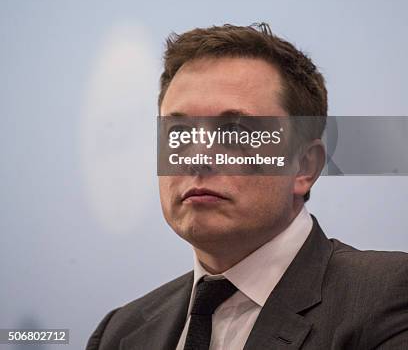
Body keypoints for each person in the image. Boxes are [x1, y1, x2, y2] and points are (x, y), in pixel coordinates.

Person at [86, 23, 408, 350]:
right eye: (178, 133)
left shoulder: (389, 297)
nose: (197, 159)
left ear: (304, 166)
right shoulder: (120, 333)